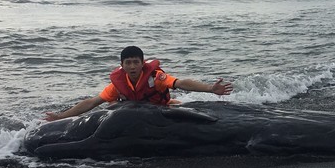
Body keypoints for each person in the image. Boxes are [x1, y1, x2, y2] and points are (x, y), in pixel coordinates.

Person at [45, 46, 233, 121]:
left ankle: (178, 104)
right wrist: (61, 116)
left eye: (136, 62)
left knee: (175, 105)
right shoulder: (118, 84)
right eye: (128, 63)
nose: (133, 66)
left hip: (158, 109)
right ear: (122, 66)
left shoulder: (155, 77)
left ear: (143, 63)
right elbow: (92, 102)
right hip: (134, 112)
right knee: (111, 105)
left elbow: (181, 82)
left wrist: (210, 88)